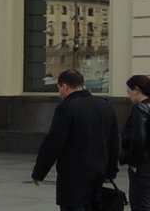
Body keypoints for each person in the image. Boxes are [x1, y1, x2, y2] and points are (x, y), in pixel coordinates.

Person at [32, 69, 120, 211]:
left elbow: (53, 143)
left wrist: (39, 172)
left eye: (59, 88)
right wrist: (111, 171)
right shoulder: (105, 106)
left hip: (73, 176)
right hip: (99, 173)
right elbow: (114, 142)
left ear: (64, 87)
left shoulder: (66, 108)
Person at [122, 74, 150, 211]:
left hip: (143, 163)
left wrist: (133, 162)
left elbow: (139, 138)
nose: (128, 96)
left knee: (140, 201)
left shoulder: (140, 109)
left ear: (137, 89)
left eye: (129, 91)